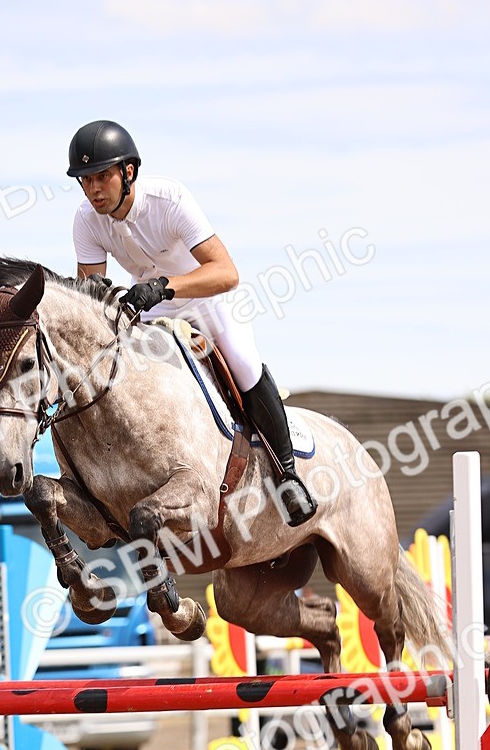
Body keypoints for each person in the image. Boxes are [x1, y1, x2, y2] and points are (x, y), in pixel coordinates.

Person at [67, 119, 318, 527]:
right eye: (85, 180)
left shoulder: (169, 199)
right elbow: (90, 294)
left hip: (206, 298)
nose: (93, 189)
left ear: (128, 172)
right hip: (152, 307)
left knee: (242, 362)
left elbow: (227, 272)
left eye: (101, 177)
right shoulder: (85, 220)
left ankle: (287, 475)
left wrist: (164, 286)